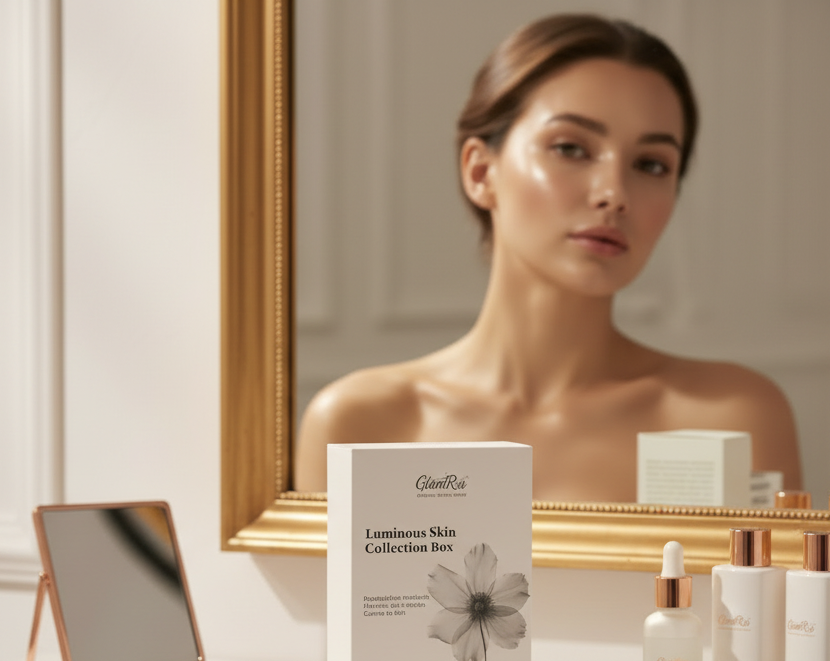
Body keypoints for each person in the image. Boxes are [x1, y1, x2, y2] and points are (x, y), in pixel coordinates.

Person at [295, 13, 802, 501]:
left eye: (651, 164)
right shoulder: (360, 424)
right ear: (480, 172)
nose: (614, 193)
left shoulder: (734, 419)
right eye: (571, 148)